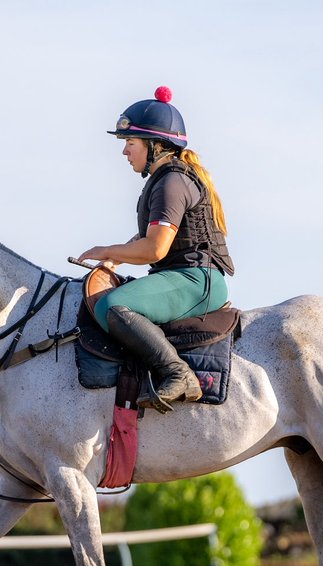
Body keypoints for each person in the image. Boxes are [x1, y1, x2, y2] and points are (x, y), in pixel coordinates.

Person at [78, 86, 236, 413]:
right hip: (186, 277)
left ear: (155, 146)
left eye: (130, 143)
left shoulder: (171, 182)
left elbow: (154, 250)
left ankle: (177, 373)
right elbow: (145, 244)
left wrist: (104, 249)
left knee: (115, 306)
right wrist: (114, 257)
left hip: (196, 281)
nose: (124, 151)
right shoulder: (165, 179)